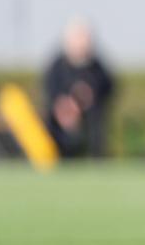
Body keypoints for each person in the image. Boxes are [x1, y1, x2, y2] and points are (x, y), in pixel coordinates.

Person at [44, 19, 115, 158]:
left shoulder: (96, 66)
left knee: (97, 120)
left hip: (90, 112)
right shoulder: (58, 65)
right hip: (62, 112)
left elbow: (108, 86)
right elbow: (50, 88)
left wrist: (90, 96)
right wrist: (63, 105)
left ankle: (97, 157)